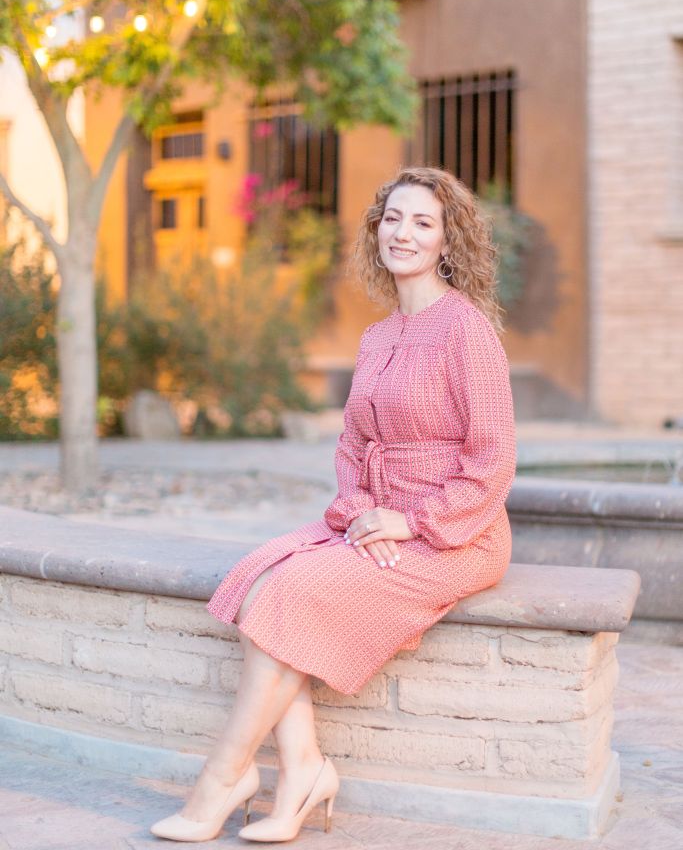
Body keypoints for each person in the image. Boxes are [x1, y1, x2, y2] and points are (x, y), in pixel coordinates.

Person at [150, 165, 517, 843]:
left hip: (454, 534)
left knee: (291, 593)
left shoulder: (466, 332)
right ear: (376, 229)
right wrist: (359, 511)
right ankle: (303, 771)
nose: (402, 233)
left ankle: (223, 779)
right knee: (260, 579)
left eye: (423, 222)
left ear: (447, 241)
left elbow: (492, 462)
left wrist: (409, 521)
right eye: (392, 218)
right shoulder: (376, 337)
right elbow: (352, 445)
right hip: (376, 519)